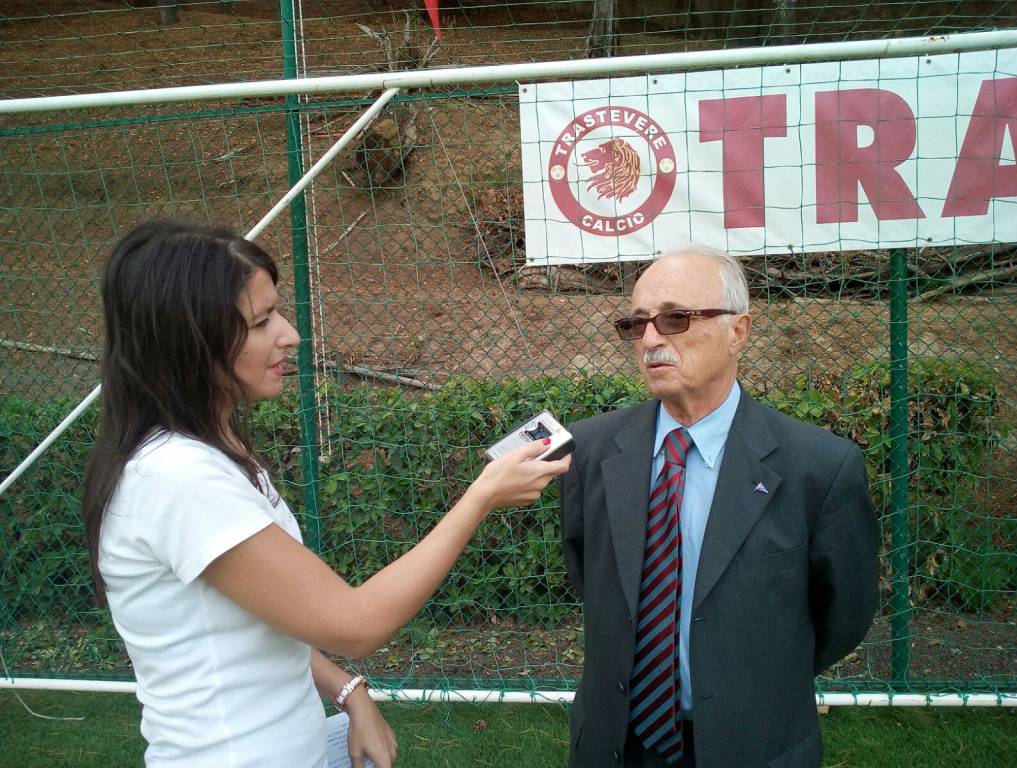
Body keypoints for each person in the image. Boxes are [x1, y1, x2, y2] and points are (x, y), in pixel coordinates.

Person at [81, 219, 570, 768]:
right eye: (261, 321)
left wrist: (347, 692)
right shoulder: (177, 477)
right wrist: (478, 499)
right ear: (189, 342)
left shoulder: (208, 452)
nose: (289, 334)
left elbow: (263, 614)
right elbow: (355, 623)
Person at [559, 247, 879, 768]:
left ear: (739, 331)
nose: (651, 340)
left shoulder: (818, 466)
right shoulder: (590, 451)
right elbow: (590, 578)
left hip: (754, 741)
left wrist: (751, 678)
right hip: (614, 743)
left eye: (675, 318)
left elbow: (845, 612)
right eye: (637, 324)